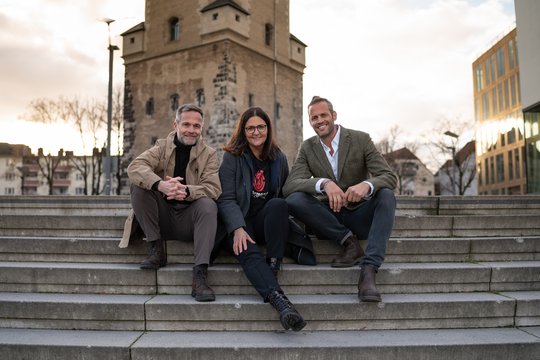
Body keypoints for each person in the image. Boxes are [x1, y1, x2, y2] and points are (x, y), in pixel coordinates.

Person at [283, 96, 397, 302]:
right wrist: (324, 183)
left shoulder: (360, 139)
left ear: (333, 116)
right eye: (314, 118)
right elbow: (290, 185)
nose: (319, 121)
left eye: (323, 115)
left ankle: (369, 270)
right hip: (328, 220)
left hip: (358, 214)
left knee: (386, 194)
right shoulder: (307, 147)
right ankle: (350, 243)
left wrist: (367, 185)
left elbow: (389, 177)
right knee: (294, 199)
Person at [120, 103, 222, 302]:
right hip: (162, 218)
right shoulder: (161, 147)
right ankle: (156, 249)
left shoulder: (209, 154)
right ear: (175, 125)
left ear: (202, 128)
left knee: (209, 205)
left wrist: (185, 191)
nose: (191, 130)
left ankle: (200, 275)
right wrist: (161, 185)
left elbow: (213, 188)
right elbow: (135, 167)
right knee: (139, 186)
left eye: (196, 126)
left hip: (190, 221)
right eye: (186, 124)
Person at [216, 107, 306, 331]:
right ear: (243, 131)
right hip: (240, 222)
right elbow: (225, 198)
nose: (256, 132)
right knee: (248, 250)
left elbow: (285, 194)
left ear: (268, 128)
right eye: (250, 128)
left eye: (261, 127)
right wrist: (237, 228)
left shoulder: (278, 158)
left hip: (266, 223)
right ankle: (281, 304)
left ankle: (273, 266)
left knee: (278, 205)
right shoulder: (232, 157)